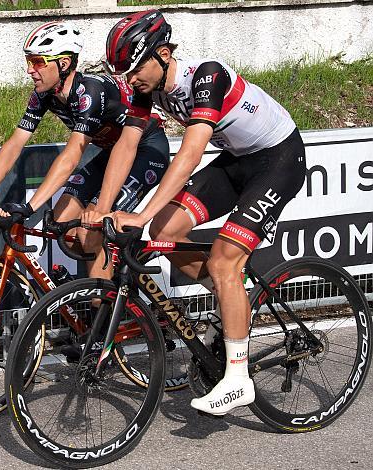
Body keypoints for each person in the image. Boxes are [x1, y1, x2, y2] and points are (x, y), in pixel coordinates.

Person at [94, 10, 307, 415]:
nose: (129, 78)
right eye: (122, 71)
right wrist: (105, 208)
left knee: (224, 258)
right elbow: (125, 145)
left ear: (162, 54)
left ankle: (238, 378)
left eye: (134, 67)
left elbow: (191, 152)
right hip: (238, 160)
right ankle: (232, 304)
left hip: (279, 159)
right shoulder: (146, 88)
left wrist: (137, 215)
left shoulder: (206, 76)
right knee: (165, 227)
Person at [0, 21, 170, 279]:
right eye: (29, 62)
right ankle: (114, 279)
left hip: (147, 151)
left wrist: (29, 207)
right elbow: (15, 143)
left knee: (90, 231)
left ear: (62, 64)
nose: (30, 70)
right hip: (114, 153)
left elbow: (72, 155)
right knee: (59, 225)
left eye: (38, 62)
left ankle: (103, 307)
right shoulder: (43, 94)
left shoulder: (89, 92)